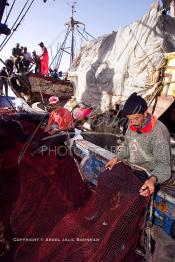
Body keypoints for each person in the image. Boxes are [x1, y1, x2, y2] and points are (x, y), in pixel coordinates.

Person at [106, 92, 173, 260]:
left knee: (133, 197)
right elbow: (127, 148)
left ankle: (130, 236)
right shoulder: (132, 125)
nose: (132, 122)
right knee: (106, 178)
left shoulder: (159, 132)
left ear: (146, 113)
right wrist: (118, 157)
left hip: (151, 173)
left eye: (136, 118)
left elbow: (164, 166)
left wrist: (153, 179)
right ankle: (111, 223)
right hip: (134, 168)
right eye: (129, 119)